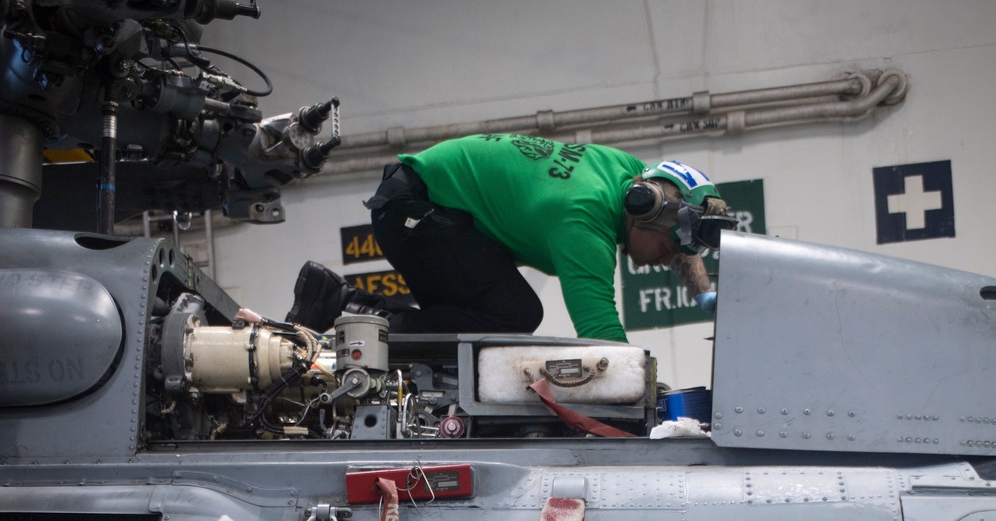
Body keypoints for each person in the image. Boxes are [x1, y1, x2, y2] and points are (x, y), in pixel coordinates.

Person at [286, 139, 734, 341]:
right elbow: (601, 338)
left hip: (435, 203)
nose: (667, 260)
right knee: (510, 315)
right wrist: (650, 394)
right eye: (669, 250)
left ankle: (345, 304)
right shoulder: (582, 222)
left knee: (499, 317)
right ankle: (346, 310)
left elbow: (676, 226)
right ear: (642, 210)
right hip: (413, 209)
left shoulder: (630, 176)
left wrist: (705, 294)